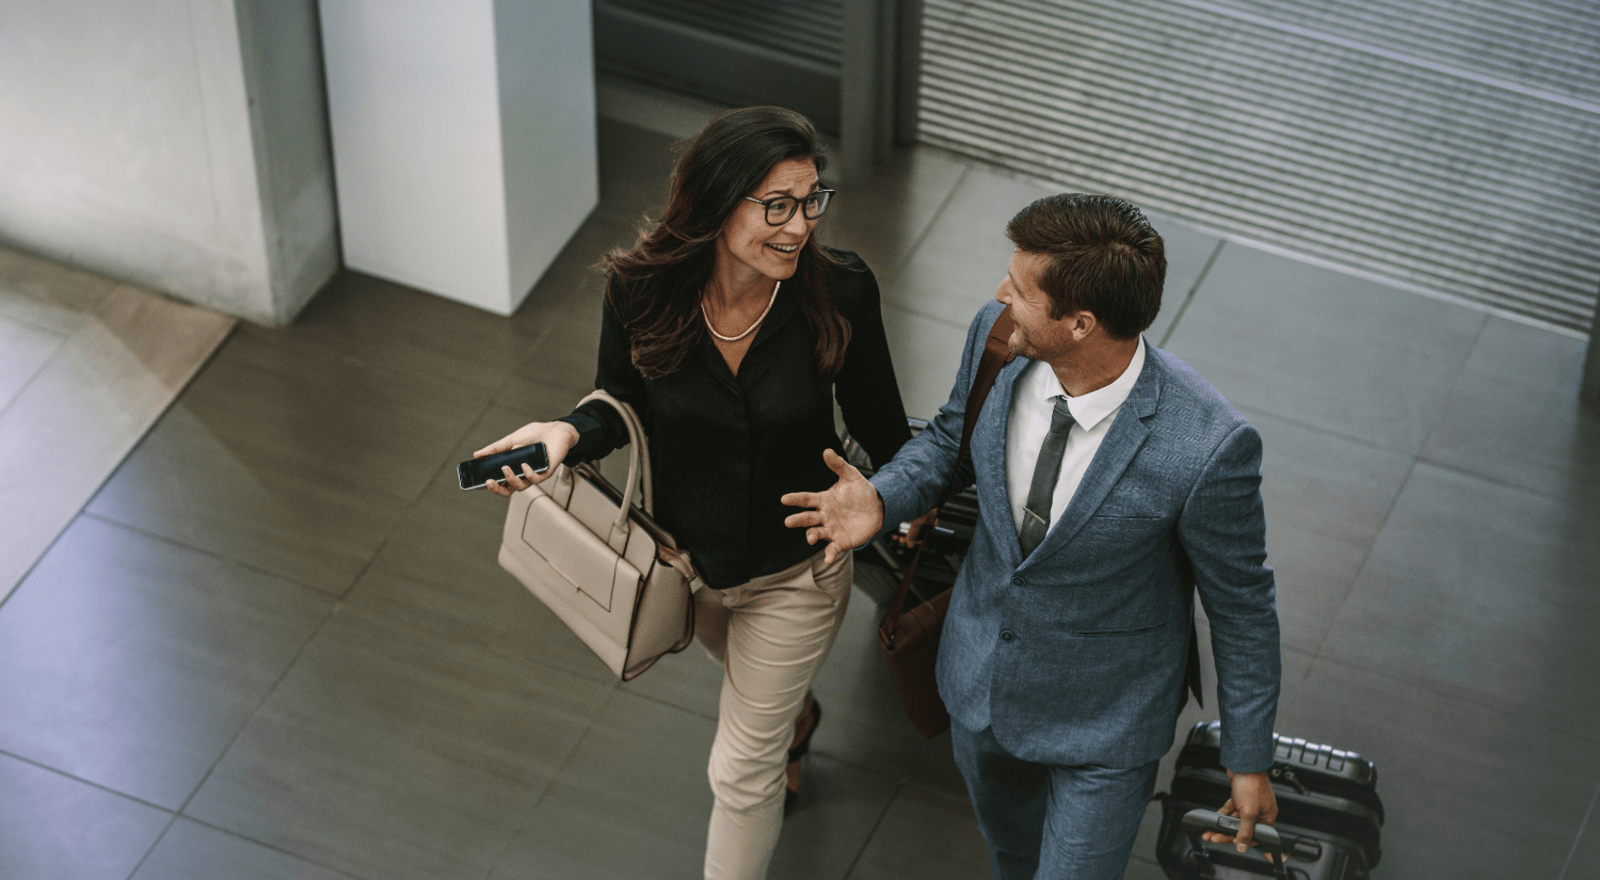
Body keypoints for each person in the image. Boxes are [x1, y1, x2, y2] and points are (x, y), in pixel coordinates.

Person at [782, 193, 1282, 879]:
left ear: (1081, 323)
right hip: (979, 681)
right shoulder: (998, 339)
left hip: (1107, 723)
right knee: (1013, 857)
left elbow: (1244, 608)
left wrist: (1248, 757)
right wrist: (884, 496)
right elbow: (951, 436)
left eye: (1020, 290)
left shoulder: (1206, 447)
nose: (998, 294)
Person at [473, 107, 911, 880]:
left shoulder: (838, 291)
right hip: (689, 567)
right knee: (754, 689)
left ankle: (779, 732)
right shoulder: (641, 289)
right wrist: (569, 433)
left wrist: (899, 501)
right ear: (716, 201)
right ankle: (795, 718)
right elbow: (622, 401)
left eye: (812, 201)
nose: (798, 225)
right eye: (776, 204)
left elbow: (883, 427)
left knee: (741, 772)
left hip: (797, 572)